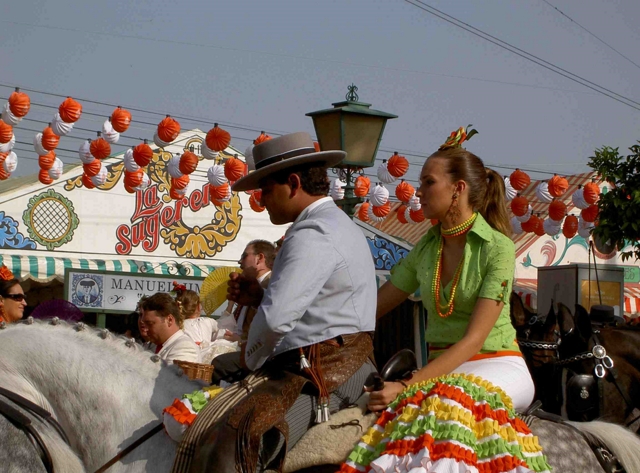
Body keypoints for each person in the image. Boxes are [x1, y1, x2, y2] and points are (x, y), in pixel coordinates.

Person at [339, 128, 542, 473]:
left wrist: (405, 385)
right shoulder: (426, 248)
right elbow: (371, 309)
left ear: (458, 189)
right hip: (440, 372)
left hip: (497, 364)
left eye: (427, 182)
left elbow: (474, 339)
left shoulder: (498, 247)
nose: (418, 191)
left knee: (444, 404)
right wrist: (324, 330)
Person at [185, 132, 377, 473]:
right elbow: (310, 307)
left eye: (266, 189)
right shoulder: (331, 225)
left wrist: (248, 357)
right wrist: (260, 297)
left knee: (240, 435)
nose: (261, 199)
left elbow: (275, 322)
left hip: (327, 371)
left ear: (292, 182)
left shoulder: (313, 233)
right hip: (327, 362)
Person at [211, 240, 276, 384]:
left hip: (263, 355)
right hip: (245, 348)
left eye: (244, 256)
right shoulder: (253, 286)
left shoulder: (272, 285)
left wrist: (240, 341)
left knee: (218, 363)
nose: (239, 261)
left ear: (259, 259)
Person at [139, 292, 198, 364]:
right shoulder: (152, 345)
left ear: (169, 320)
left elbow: (170, 374)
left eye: (150, 324)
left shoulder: (184, 347)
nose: (146, 329)